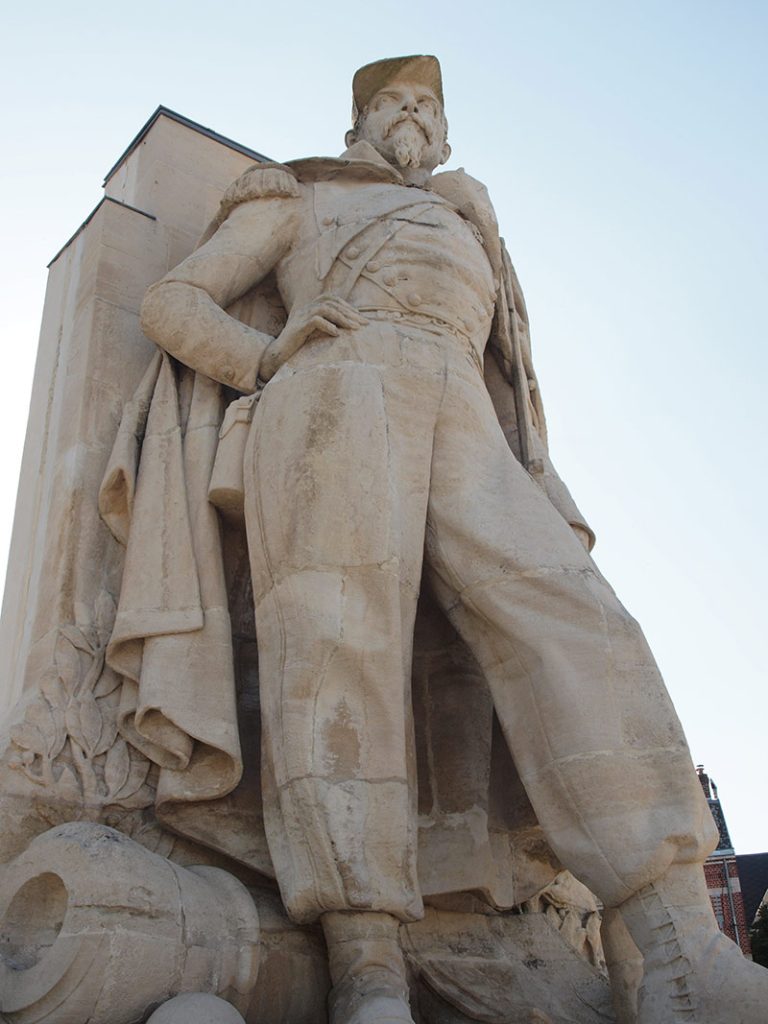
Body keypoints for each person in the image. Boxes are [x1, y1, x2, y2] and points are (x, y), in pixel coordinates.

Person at [139, 54, 767, 1024]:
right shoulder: (306, 193)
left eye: (428, 106)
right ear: (360, 122)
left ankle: (679, 941)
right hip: (335, 389)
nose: (414, 116)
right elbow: (174, 301)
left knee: (576, 619)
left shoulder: (473, 223)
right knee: (337, 653)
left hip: (463, 411)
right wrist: (265, 354)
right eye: (394, 101)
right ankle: (369, 965)